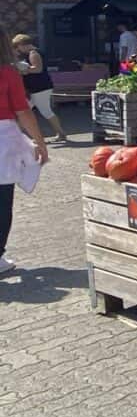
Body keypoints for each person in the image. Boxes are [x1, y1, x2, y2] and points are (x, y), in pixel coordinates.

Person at [0, 25, 47, 274]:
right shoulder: (7, 73)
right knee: (2, 201)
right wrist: (40, 142)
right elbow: (23, 111)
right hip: (3, 138)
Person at [11, 35, 66, 142]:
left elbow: (38, 69)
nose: (19, 50)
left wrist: (23, 70)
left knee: (44, 111)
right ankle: (60, 133)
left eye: (19, 47)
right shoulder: (35, 52)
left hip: (40, 87)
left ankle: (61, 134)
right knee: (25, 111)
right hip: (37, 87)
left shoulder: (33, 53)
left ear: (23, 45)